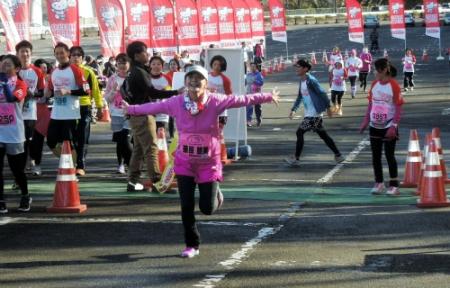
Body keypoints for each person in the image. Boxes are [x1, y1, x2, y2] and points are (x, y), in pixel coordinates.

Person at [122, 65, 280, 258]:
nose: (194, 82)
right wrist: (131, 109)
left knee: (207, 209)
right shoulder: (177, 102)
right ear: (186, 83)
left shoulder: (215, 101)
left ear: (206, 84)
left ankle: (216, 194)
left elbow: (241, 99)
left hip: (209, 163)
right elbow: (154, 106)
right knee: (186, 206)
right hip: (185, 162)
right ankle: (192, 245)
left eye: (199, 79)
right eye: (191, 79)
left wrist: (267, 96)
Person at [125, 41, 182, 192]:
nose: (148, 54)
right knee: (151, 148)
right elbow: (153, 93)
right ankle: (158, 183)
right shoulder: (140, 72)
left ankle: (132, 181)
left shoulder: (133, 71)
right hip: (143, 113)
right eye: (145, 52)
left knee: (138, 148)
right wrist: (176, 92)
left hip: (135, 112)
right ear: (137, 55)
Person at [285, 59, 344, 167]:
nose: (296, 69)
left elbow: (322, 93)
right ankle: (338, 155)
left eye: (298, 67)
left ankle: (296, 158)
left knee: (300, 132)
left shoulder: (311, 80)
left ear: (305, 68)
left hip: (314, 115)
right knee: (324, 135)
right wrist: (294, 109)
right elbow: (300, 96)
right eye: (296, 66)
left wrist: (328, 108)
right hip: (310, 114)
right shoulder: (302, 81)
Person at [359, 58, 404, 196]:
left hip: (389, 125)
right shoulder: (374, 84)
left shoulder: (394, 86)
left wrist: (394, 126)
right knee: (375, 156)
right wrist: (365, 121)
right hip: (374, 125)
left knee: (389, 155)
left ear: (384, 70)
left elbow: (398, 107)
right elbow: (370, 104)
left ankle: (394, 186)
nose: (373, 72)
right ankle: (379, 183)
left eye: (375, 69)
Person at [45, 42, 89, 161]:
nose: (60, 55)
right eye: (57, 53)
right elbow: (49, 92)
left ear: (68, 53)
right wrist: (47, 91)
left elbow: (86, 91)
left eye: (62, 53)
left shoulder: (75, 70)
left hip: (70, 113)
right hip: (56, 113)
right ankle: (69, 162)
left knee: (68, 142)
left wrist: (69, 91)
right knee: (51, 140)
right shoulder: (54, 71)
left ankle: (73, 166)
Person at [0, 54, 32, 213]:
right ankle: (1, 200)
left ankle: (25, 195)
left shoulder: (20, 84)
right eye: (1, 64)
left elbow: (12, 98)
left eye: (7, 65)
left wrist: (4, 83)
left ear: (17, 68)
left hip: (14, 133)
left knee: (16, 170)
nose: (3, 67)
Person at [69, 46, 103, 176]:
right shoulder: (65, 71)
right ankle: (72, 161)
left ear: (82, 58)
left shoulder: (89, 72)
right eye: (73, 55)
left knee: (83, 136)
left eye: (79, 55)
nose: (76, 57)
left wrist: (100, 108)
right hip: (69, 108)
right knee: (71, 136)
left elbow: (96, 91)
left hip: (85, 106)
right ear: (69, 57)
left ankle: (81, 164)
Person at [15, 41, 46, 175]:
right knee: (18, 143)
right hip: (15, 114)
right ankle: (19, 170)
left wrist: (32, 94)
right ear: (17, 54)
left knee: (31, 141)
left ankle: (35, 164)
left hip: (31, 113)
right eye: (22, 51)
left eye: (27, 51)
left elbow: (42, 92)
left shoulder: (37, 71)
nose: (25, 54)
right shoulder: (13, 70)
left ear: (31, 53)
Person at [104, 53, 132, 174]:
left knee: (126, 138)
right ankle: (120, 164)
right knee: (120, 140)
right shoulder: (112, 79)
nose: (121, 65)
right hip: (116, 113)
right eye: (119, 63)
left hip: (130, 113)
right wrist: (114, 91)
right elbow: (107, 98)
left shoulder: (132, 78)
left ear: (129, 64)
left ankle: (130, 163)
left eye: (124, 63)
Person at [30, 59, 52, 176]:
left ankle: (37, 165)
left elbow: (47, 96)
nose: (44, 69)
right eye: (41, 67)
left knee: (38, 140)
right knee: (29, 141)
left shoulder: (49, 80)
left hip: (43, 113)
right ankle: (31, 162)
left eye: (45, 67)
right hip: (29, 111)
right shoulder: (30, 78)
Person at [149, 56, 172, 131]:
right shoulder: (146, 77)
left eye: (159, 64)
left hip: (162, 111)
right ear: (150, 65)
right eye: (154, 64)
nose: (156, 66)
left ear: (162, 66)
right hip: (148, 110)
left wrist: (165, 91)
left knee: (160, 134)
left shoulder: (167, 78)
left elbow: (171, 92)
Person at [245, 62, 264, 127]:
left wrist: (255, 81)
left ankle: (259, 120)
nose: (252, 68)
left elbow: (261, 83)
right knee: (249, 108)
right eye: (251, 66)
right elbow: (245, 82)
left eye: (253, 66)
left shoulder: (259, 74)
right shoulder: (248, 75)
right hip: (249, 93)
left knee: (257, 108)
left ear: (256, 67)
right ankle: (248, 121)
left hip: (256, 94)